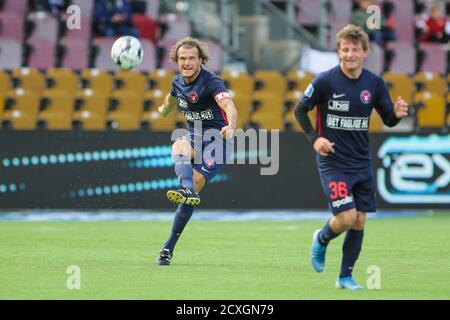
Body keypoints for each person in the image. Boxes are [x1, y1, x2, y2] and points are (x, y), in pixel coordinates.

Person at [294, 24, 408, 290]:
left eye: (355, 49)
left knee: (359, 219)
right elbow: (300, 111)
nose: (349, 54)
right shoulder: (324, 81)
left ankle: (345, 277)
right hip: (333, 161)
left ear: (365, 52)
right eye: (344, 49)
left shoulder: (375, 84)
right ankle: (321, 239)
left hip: (361, 161)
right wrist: (316, 138)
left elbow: (388, 119)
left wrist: (397, 114)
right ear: (338, 52)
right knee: (346, 217)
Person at [155, 37, 238, 266]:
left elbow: (228, 105)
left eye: (192, 58)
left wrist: (231, 125)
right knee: (178, 145)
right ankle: (187, 190)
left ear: (201, 60)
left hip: (218, 139)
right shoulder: (177, 82)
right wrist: (163, 110)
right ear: (176, 60)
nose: (187, 62)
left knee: (197, 181)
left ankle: (168, 245)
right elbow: (170, 100)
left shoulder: (211, 82)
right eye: (182, 58)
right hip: (195, 137)